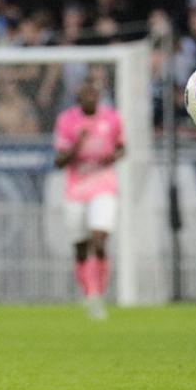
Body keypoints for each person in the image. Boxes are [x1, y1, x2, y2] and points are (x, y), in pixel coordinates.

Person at [53, 82, 125, 320]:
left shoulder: (112, 118)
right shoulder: (67, 120)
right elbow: (59, 161)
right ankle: (88, 292)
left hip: (103, 185)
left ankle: (97, 293)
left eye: (94, 94)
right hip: (75, 189)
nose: (90, 98)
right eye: (85, 95)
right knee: (80, 246)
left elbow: (122, 147)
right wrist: (78, 144)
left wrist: (113, 157)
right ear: (78, 98)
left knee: (99, 238)